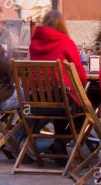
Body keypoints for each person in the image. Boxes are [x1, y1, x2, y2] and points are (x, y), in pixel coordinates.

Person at [29, 10, 88, 160]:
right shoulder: (66, 42)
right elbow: (80, 76)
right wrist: (80, 88)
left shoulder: (33, 44)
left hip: (36, 103)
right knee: (87, 103)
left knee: (65, 98)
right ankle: (61, 141)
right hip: (62, 101)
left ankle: (59, 145)